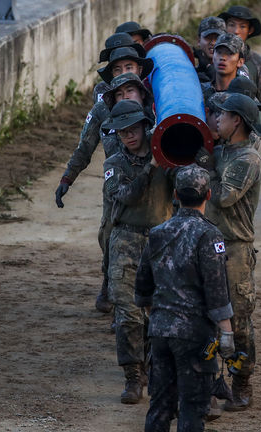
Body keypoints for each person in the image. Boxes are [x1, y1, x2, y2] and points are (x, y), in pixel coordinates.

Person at [55, 40, 154, 313]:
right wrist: (67, 179)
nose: (123, 73)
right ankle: (112, 287)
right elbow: (84, 147)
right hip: (118, 187)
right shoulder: (102, 110)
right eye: (117, 69)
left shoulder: (155, 108)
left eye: (129, 67)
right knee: (110, 236)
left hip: (155, 186)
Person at [135, 164, 235, 432]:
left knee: (159, 406)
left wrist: (155, 317)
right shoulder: (209, 234)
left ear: (176, 195)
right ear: (209, 195)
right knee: (192, 407)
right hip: (194, 336)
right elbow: (217, 289)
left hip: (159, 332)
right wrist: (226, 333)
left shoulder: (157, 233)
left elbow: (142, 286)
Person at [102, 100, 174, 404]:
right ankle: (133, 376)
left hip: (160, 239)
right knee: (128, 312)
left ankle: (155, 369)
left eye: (133, 129)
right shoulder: (114, 164)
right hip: (125, 240)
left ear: (146, 125)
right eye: (122, 132)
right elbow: (127, 196)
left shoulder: (167, 154)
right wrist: (151, 168)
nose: (129, 136)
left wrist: (168, 158)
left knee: (159, 313)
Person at [195, 93, 261, 411]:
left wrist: (204, 165)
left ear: (237, 120)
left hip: (235, 248)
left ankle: (241, 380)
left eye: (221, 115)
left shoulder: (248, 159)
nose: (215, 119)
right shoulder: (218, 150)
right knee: (204, 319)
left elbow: (223, 197)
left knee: (237, 321)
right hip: (208, 243)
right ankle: (210, 386)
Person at [219, 5, 261, 174]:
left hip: (244, 140)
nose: (236, 31)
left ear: (250, 30)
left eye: (242, 26)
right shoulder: (214, 57)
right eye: (231, 24)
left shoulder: (257, 64)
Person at [201, 33, 246, 106]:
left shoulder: (244, 97)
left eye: (230, 53)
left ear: (240, 62)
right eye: (219, 52)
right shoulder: (200, 91)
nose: (222, 58)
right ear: (213, 57)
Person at [194, 16, 226, 83]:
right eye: (208, 38)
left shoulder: (233, 68)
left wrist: (208, 67)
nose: (213, 43)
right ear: (198, 41)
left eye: (217, 38)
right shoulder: (192, 72)